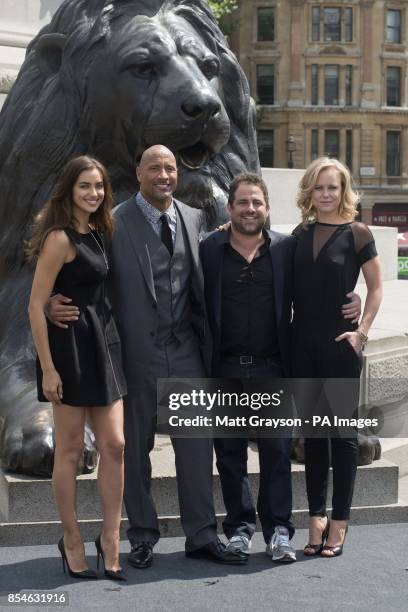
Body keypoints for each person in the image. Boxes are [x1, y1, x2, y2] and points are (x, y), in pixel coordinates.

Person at [48, 145, 247, 567]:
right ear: (138, 171)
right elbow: (79, 267)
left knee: (195, 449)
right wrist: (49, 302)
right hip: (132, 356)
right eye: (154, 167)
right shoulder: (113, 221)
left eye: (170, 167)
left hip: (187, 352)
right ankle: (140, 536)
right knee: (131, 453)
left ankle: (202, 534)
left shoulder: (195, 218)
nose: (163, 174)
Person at [28, 156, 127, 581]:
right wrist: (49, 369)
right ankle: (70, 539)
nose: (94, 193)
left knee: (116, 445)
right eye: (85, 186)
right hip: (67, 351)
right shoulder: (58, 238)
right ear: (69, 189)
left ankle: (109, 538)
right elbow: (35, 303)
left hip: (104, 345)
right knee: (69, 450)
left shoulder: (101, 231)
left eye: (99, 186)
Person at [292, 157, 382, 557]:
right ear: (309, 191)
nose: (326, 194)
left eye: (333, 187)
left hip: (340, 346)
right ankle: (316, 518)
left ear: (344, 191)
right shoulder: (299, 233)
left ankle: (340, 522)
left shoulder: (358, 233)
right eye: (319, 187)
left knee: (343, 437)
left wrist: (361, 331)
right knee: (313, 436)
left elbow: (377, 288)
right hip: (302, 346)